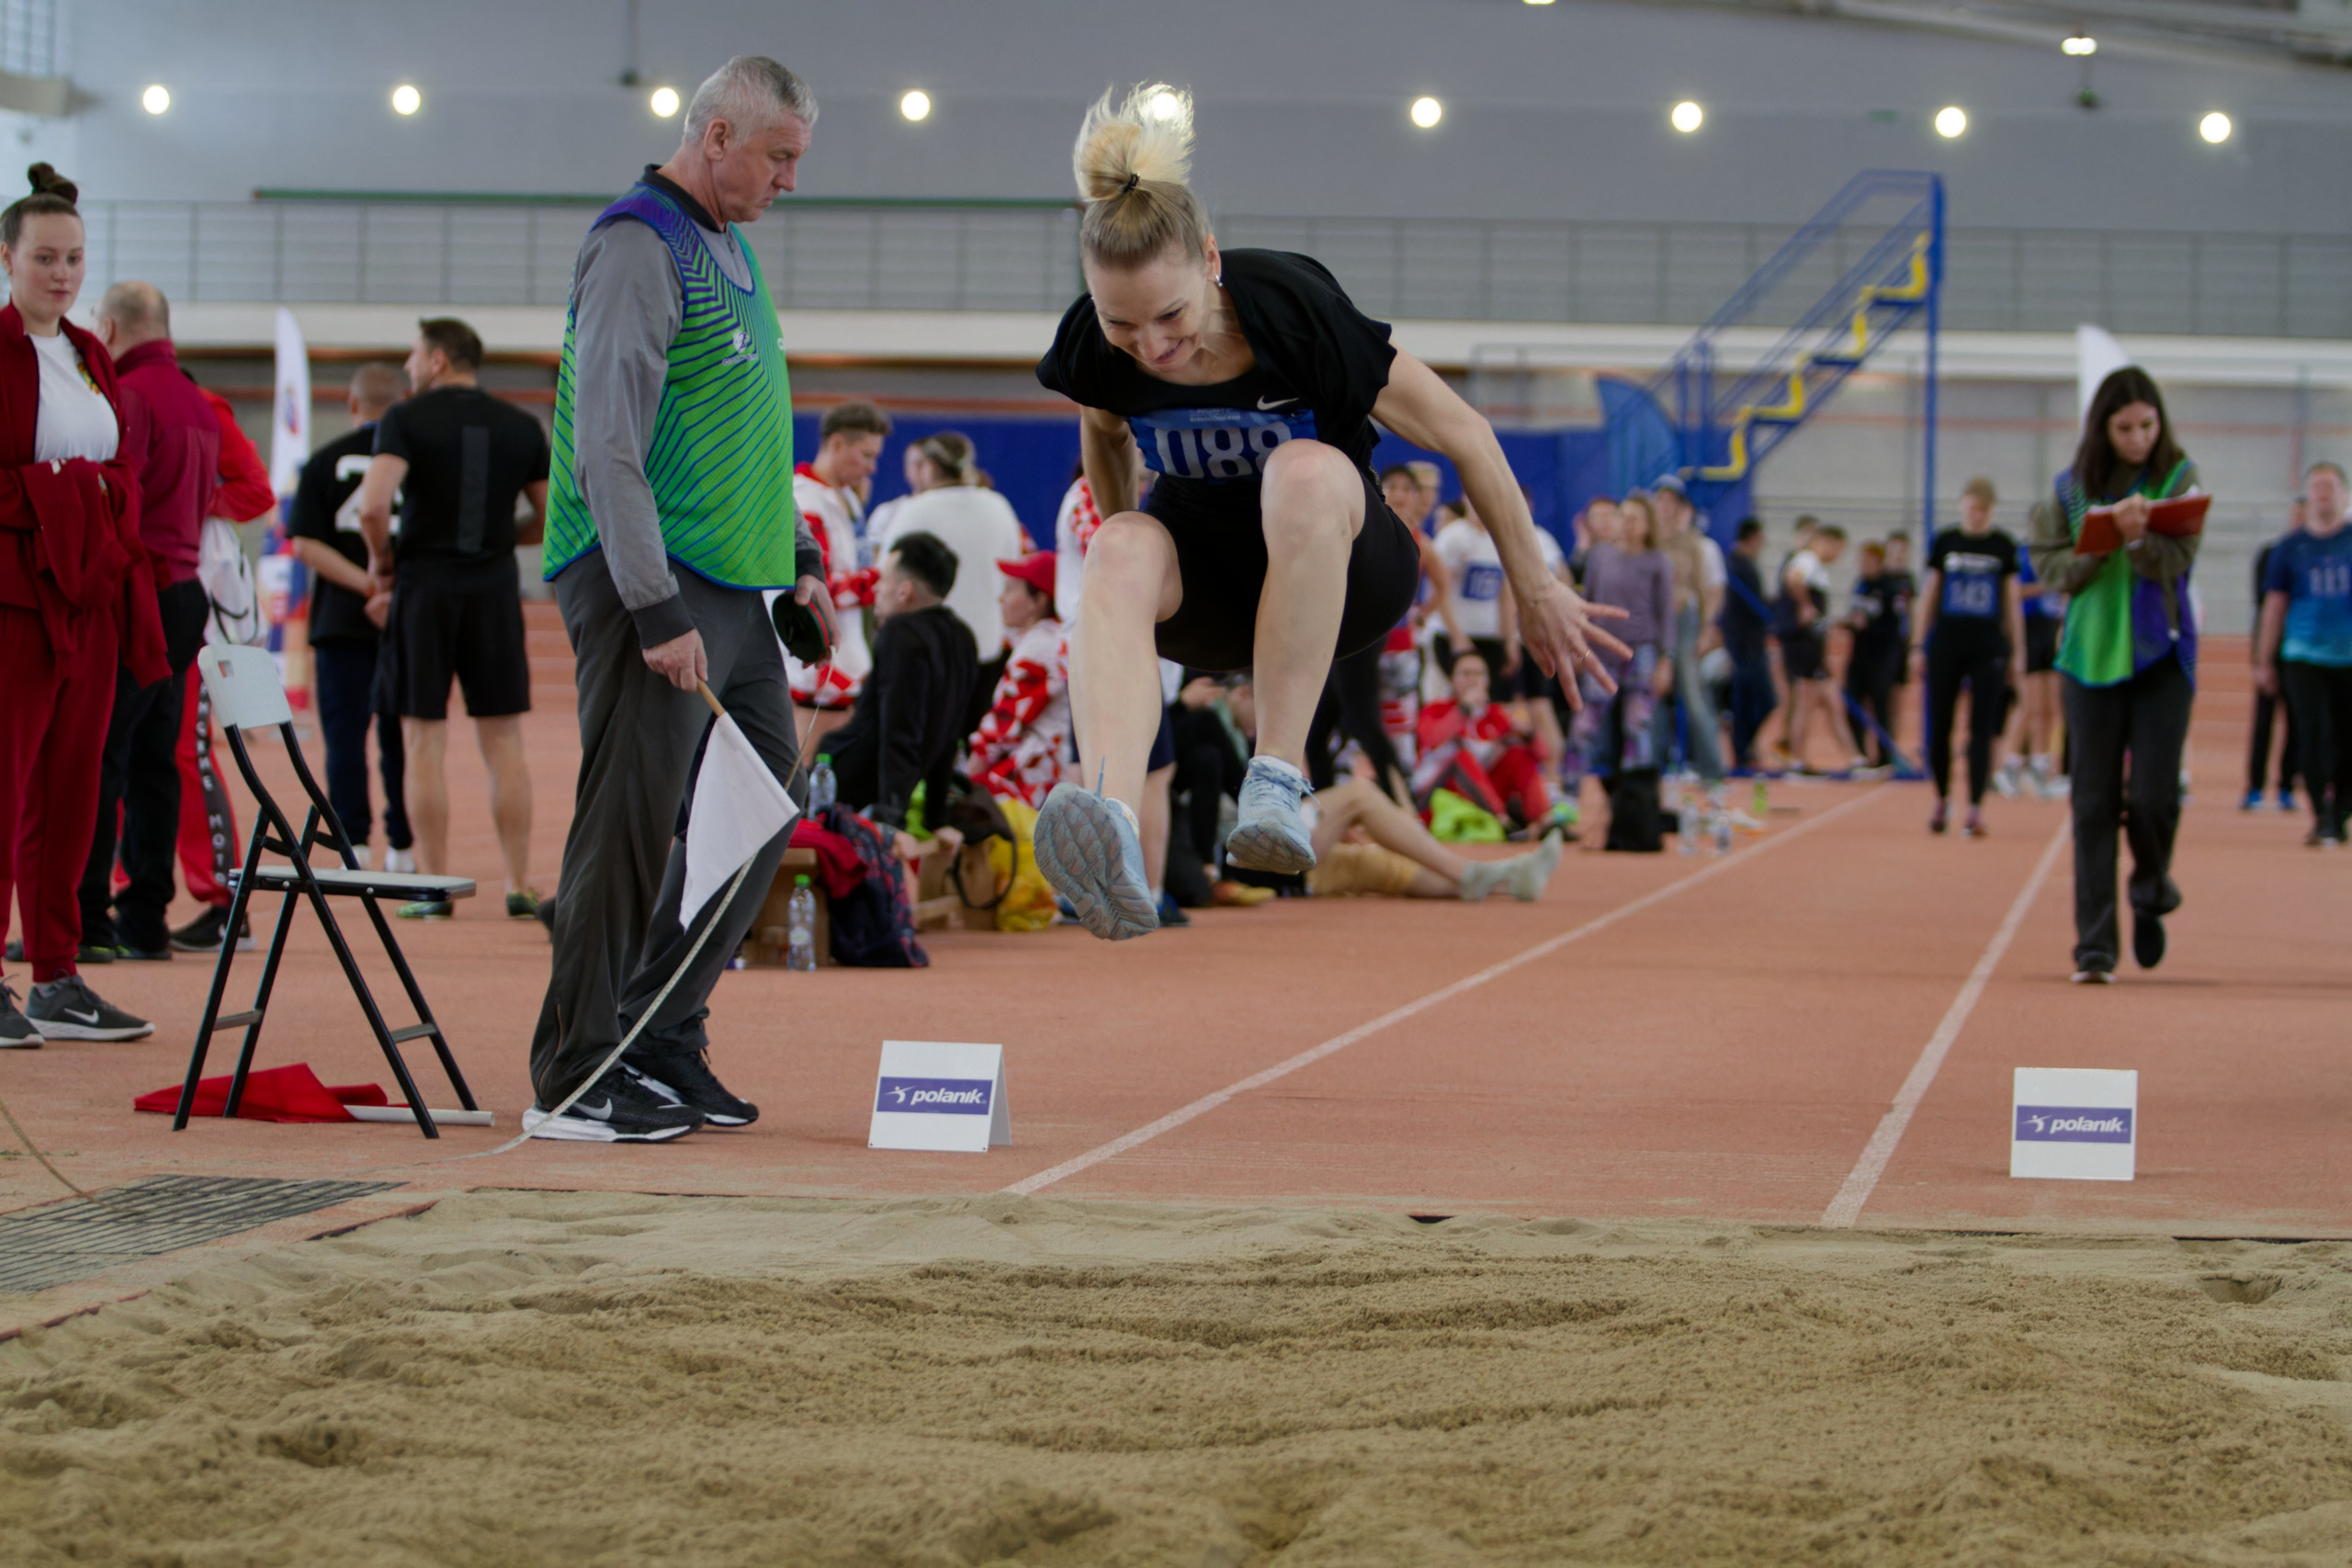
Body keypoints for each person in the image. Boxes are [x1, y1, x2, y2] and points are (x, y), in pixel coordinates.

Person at [1028, 84, 1623, 941]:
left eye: (1171, 315)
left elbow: (1466, 432)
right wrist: (1126, 582)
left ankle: (1276, 773)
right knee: (1113, 538)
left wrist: (1534, 587)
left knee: (1302, 470)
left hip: (1343, 566)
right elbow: (1103, 427)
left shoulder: (1293, 313)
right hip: (1211, 588)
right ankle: (1112, 817)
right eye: (1125, 327)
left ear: (1211, 259)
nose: (1153, 347)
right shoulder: (1096, 344)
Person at [530, 54, 827, 1142]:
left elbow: (745, 432)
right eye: (779, 158)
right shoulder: (635, 245)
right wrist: (653, 606)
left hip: (736, 589)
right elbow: (608, 445)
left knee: (759, 810)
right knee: (629, 822)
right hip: (644, 582)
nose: (790, 182)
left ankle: (656, 1030)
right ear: (715, 138)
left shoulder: (730, 248)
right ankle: (571, 1070)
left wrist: (792, 551)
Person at [0, 165, 164, 1046]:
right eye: (45, 259)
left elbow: (122, 475)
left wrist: (90, 498)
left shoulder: (91, 356)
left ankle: (58, 975)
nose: (61, 275)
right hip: (15, 600)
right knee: (4, 788)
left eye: (75, 260)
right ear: (7, 258)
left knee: (74, 790)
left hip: (91, 597)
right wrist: (65, 494)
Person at [356, 317, 548, 919]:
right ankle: (518, 882)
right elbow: (549, 517)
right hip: (492, 586)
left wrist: (381, 561)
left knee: (423, 739)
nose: (408, 367)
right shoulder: (521, 425)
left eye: (413, 356)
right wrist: (499, 540)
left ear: (437, 359)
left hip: (426, 586)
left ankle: (433, 887)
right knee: (505, 740)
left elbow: (373, 504)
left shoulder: (405, 418)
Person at [2029, 366, 2202, 983]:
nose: (2138, 438)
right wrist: (2100, 544)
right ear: (2103, 427)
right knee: (2093, 801)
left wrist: (2137, 541)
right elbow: (2048, 567)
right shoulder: (2069, 488)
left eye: (2148, 425)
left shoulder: (2180, 478)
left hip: (2164, 654)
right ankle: (2095, 947)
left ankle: (2151, 888)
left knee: (2154, 796)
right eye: (2125, 427)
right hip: (2089, 657)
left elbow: (2179, 555)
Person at [74, 281, 215, 964]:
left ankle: (86, 919)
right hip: (187, 591)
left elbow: (112, 496)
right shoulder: (199, 400)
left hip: (141, 590)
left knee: (100, 753)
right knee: (157, 757)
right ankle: (145, 919)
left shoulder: (125, 396)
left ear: (106, 325)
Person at [287, 364, 413, 875]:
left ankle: (350, 840)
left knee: (343, 735)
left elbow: (304, 543)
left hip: (341, 620)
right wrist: (389, 584)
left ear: (351, 403)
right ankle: (404, 844)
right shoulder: (415, 461)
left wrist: (362, 583)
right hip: (405, 620)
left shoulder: (322, 462)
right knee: (403, 733)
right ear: (405, 402)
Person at [168, 386, 279, 956]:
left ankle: (224, 906)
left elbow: (256, 491)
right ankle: (129, 892)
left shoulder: (203, 407)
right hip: (146, 610)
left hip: (197, 620)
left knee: (189, 753)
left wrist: (184, 498)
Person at [826, 531, 978, 830]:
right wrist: (937, 817)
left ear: (904, 592)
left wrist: (889, 819)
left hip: (852, 792)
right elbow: (951, 734)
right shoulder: (963, 637)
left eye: (883, 579)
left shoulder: (900, 635)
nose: (876, 588)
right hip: (891, 789)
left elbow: (899, 733)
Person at [1912, 478, 2026, 836]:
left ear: (1991, 510)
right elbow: (1930, 593)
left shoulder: (2003, 546)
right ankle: (1942, 798)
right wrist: (1918, 645)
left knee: (1981, 729)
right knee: (1939, 725)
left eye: (1982, 510)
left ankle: (1976, 806)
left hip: (1988, 646)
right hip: (1946, 643)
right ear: (1962, 505)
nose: (1975, 516)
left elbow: (2012, 602)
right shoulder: (1946, 541)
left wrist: (2016, 652)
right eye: (1970, 509)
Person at [871, 430, 1026, 677]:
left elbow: (885, 577)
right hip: (988, 647)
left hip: (928, 651)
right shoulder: (999, 507)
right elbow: (1014, 571)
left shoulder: (914, 510)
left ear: (929, 466)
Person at [2256, 461, 2352, 846]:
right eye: (2316, 486)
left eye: (2330, 485)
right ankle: (2321, 814)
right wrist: (2264, 661)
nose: (2323, 492)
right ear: (2308, 495)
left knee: (2347, 739)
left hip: (2348, 656)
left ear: (2344, 494)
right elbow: (2274, 607)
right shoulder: (2289, 548)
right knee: (2312, 735)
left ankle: (2341, 808)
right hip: (2302, 654)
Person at [789, 400, 891, 726]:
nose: (873, 467)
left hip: (848, 658)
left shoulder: (845, 497)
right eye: (867, 455)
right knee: (808, 769)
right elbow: (813, 588)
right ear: (836, 444)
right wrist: (882, 580)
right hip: (815, 670)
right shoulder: (806, 501)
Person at [966, 549, 1069, 808]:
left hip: (1038, 773)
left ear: (1040, 601)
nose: (1001, 598)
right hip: (1047, 768)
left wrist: (966, 779)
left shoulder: (1040, 649)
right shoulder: (1047, 639)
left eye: (1011, 589)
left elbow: (1004, 726)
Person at [1650, 475, 1724, 789]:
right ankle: (1651, 770)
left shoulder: (1697, 544)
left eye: (1672, 502)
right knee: (1650, 695)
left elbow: (1711, 589)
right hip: (1651, 623)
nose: (1665, 508)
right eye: (1660, 501)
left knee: (1693, 697)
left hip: (1684, 620)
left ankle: (1712, 770)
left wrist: (1707, 629)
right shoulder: (1647, 543)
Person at [1777, 523, 1864, 773]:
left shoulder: (1816, 566)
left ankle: (1855, 758)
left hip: (1812, 643)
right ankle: (1795, 758)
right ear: (1829, 542)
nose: (1837, 556)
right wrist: (1805, 606)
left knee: (1831, 698)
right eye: (1838, 550)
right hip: (1803, 641)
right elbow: (1794, 578)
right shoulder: (1808, 559)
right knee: (1806, 696)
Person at [2245, 495, 2305, 813]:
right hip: (2271, 645)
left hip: (2299, 651)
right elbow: (2263, 601)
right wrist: (2261, 657)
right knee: (2263, 719)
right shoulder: (2271, 553)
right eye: (2296, 514)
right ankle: (2254, 786)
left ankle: (2286, 786)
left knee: (2296, 720)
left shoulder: (2312, 555)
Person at [1720, 517, 1779, 771]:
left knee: (1753, 700)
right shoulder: (1736, 566)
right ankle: (1742, 750)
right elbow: (1749, 606)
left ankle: (1745, 748)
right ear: (1753, 538)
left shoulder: (1742, 565)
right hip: (1744, 645)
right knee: (1758, 699)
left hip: (1749, 642)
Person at [1844, 539, 1908, 772]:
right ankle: (1859, 755)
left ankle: (1883, 756)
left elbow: (1895, 626)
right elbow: (1853, 615)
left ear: (1878, 562)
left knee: (1882, 707)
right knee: (1852, 704)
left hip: (1882, 656)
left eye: (1868, 561)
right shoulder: (1860, 585)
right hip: (1859, 655)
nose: (1863, 565)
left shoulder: (1890, 589)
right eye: (1861, 561)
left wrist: (1868, 626)